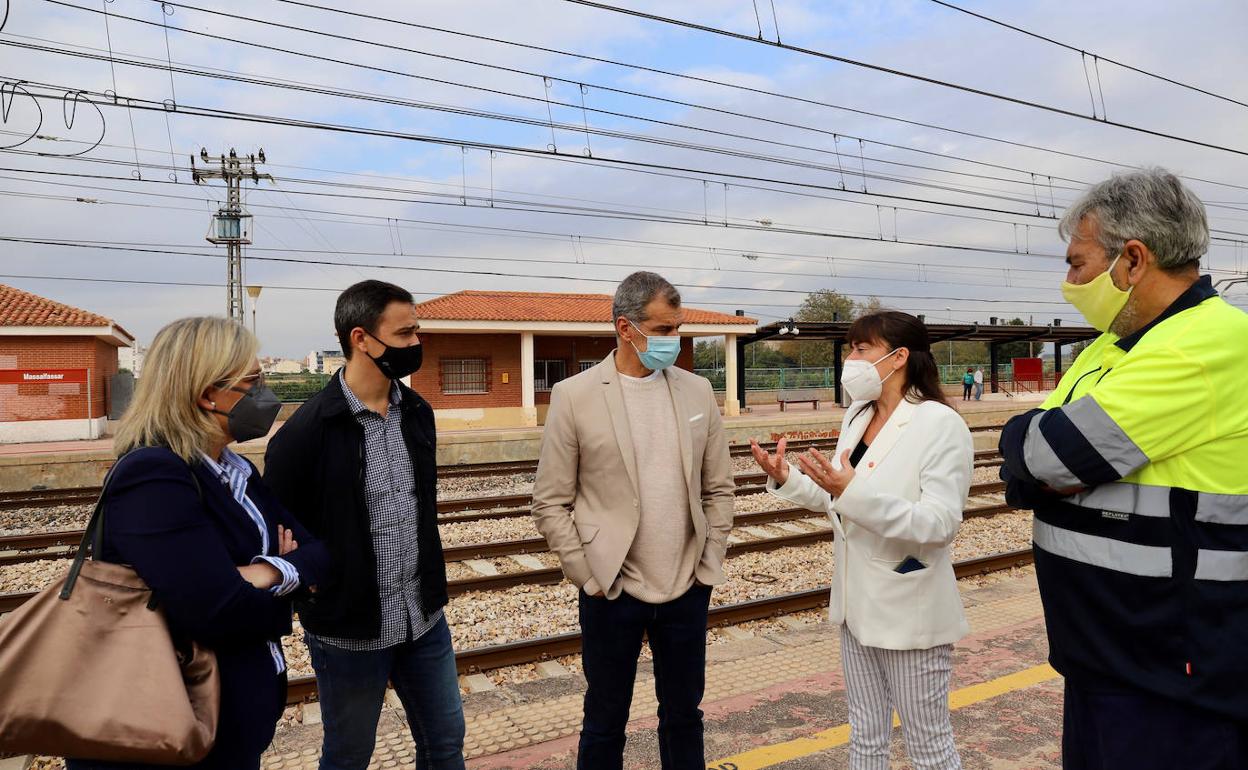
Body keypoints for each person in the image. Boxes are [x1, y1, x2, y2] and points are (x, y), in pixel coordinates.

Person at [999, 169, 1248, 769]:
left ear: (1133, 260)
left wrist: (1045, 459)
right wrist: (1041, 456)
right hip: (1104, 654)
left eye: (1078, 264)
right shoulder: (1113, 346)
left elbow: (1044, 456)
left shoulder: (1210, 345)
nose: (1069, 282)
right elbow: (1024, 456)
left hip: (1175, 672)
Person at [65, 317, 329, 770]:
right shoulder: (153, 475)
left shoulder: (235, 470)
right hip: (168, 733)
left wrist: (264, 572)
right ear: (208, 394)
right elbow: (215, 609)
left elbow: (319, 554)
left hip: (224, 727)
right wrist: (286, 578)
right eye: (253, 380)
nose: (265, 393)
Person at [752, 310, 972, 770]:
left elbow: (938, 524)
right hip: (855, 608)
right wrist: (788, 478)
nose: (850, 359)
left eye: (861, 349)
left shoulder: (938, 424)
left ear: (898, 357)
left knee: (928, 746)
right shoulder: (858, 415)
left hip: (910, 612)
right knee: (866, 737)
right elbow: (840, 498)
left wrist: (849, 491)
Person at [532, 271, 735, 770]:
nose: (674, 341)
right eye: (664, 330)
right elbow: (550, 501)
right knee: (604, 718)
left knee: (684, 715)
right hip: (611, 588)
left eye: (677, 329)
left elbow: (719, 488)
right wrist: (589, 576)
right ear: (626, 329)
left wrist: (707, 565)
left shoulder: (697, 392)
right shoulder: (575, 395)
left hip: (687, 585)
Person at [264, 281, 464, 770]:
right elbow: (282, 540)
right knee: (350, 755)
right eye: (406, 333)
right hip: (349, 632)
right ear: (361, 338)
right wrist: (316, 592)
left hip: (423, 618)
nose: (416, 344)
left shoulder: (417, 414)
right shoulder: (304, 434)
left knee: (445, 744)